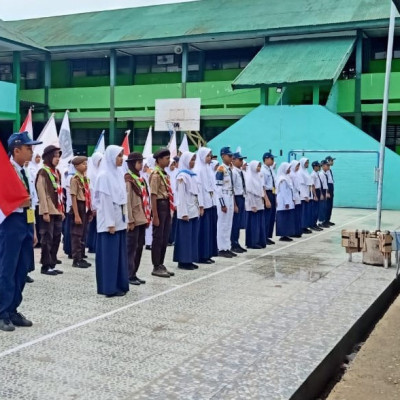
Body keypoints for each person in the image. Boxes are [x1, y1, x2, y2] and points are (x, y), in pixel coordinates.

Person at [0, 132, 42, 332]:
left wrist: (32, 229)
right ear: (16, 150)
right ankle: (2, 312)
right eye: (28, 148)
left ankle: (14, 308)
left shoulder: (26, 172)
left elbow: (31, 202)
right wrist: (17, 202)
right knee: (7, 269)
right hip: (10, 223)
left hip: (26, 221)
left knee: (22, 268)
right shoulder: (4, 172)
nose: (31, 151)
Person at [94, 145, 129, 297]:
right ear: (111, 157)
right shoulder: (104, 176)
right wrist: (110, 223)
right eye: (119, 156)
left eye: (122, 155)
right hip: (110, 223)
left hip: (119, 219)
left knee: (119, 255)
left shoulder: (119, 173)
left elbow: (123, 198)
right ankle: (109, 287)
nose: (121, 159)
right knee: (110, 256)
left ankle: (120, 283)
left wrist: (125, 220)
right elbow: (105, 201)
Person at [36, 145, 65, 276]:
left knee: (56, 238)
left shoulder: (56, 172)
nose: (57, 159)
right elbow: (41, 192)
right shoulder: (43, 172)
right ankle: (45, 265)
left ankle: (52, 263)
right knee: (47, 238)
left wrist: (62, 210)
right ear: (49, 157)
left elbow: (60, 193)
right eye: (55, 156)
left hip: (57, 210)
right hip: (48, 210)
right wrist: (45, 211)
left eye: (59, 156)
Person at [125, 152, 150, 285]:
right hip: (134, 218)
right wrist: (130, 219)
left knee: (139, 247)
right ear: (132, 164)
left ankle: (134, 272)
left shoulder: (141, 178)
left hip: (142, 217)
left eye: (141, 162)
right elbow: (127, 200)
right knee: (131, 247)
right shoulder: (129, 179)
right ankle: (129, 274)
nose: (141, 164)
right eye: (139, 162)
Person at [149, 148, 175, 278]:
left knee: (164, 237)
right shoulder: (155, 175)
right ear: (159, 160)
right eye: (166, 158)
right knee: (158, 238)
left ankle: (161, 263)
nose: (169, 161)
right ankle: (156, 265)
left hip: (166, 205)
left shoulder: (164, 174)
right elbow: (153, 195)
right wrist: (155, 215)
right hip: (159, 206)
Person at [173, 151, 201, 270]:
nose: (193, 162)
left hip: (193, 209)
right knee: (185, 237)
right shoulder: (182, 176)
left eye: (194, 160)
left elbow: (196, 194)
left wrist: (199, 208)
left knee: (192, 237)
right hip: (186, 211)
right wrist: (183, 212)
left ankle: (190, 259)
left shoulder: (192, 175)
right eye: (191, 160)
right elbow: (181, 197)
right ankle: (183, 261)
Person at [194, 147, 218, 264]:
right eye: (208, 155)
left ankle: (208, 253)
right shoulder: (199, 169)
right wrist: (201, 205)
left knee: (210, 230)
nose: (209, 158)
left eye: (210, 155)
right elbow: (199, 190)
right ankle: (201, 255)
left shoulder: (209, 168)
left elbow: (213, 186)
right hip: (204, 204)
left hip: (211, 202)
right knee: (204, 231)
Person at [70, 156, 93, 268]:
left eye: (86, 163)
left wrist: (90, 211)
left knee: (84, 234)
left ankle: (82, 256)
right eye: (83, 164)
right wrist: (76, 215)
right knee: (77, 234)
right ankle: (76, 259)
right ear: (76, 166)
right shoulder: (75, 179)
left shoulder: (85, 179)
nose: (86, 165)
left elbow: (88, 195)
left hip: (85, 207)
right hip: (78, 207)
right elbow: (73, 197)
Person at [215, 147, 237, 258]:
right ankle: (221, 248)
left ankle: (227, 247)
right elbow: (218, 188)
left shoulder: (229, 169)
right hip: (223, 196)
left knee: (228, 224)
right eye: (229, 156)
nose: (231, 158)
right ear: (223, 156)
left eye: (232, 156)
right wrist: (222, 203)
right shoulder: (220, 169)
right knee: (222, 224)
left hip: (230, 196)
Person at [244, 160, 267, 249]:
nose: (259, 168)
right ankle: (253, 242)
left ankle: (260, 241)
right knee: (254, 224)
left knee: (260, 223)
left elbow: (261, 189)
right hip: (253, 204)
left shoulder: (258, 177)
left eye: (260, 166)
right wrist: (253, 205)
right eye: (257, 166)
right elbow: (249, 193)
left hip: (259, 203)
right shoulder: (250, 178)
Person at [230, 151, 248, 253]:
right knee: (235, 223)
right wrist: (234, 204)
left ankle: (237, 242)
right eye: (240, 159)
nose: (241, 162)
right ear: (233, 160)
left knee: (239, 222)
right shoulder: (233, 172)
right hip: (236, 198)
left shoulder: (240, 172)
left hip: (242, 197)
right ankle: (233, 243)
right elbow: (232, 188)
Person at [86, 151, 103, 254]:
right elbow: (91, 191)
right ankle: (91, 245)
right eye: (99, 160)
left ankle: (96, 245)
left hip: (101, 204)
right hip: (93, 204)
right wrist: (93, 206)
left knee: (98, 226)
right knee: (92, 226)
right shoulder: (90, 173)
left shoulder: (101, 172)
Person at [275, 162, 295, 242]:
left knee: (287, 218)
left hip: (287, 200)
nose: (289, 170)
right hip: (283, 201)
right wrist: (287, 202)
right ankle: (283, 234)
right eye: (288, 168)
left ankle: (286, 234)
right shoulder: (282, 179)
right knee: (283, 218)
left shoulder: (287, 177)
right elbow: (283, 192)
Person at [261, 152, 276, 245]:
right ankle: (264, 236)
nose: (273, 161)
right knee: (266, 216)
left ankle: (268, 235)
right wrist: (266, 199)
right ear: (266, 159)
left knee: (271, 216)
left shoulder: (271, 169)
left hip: (273, 192)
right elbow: (263, 186)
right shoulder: (263, 170)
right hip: (267, 193)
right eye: (271, 159)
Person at [298, 158, 313, 235]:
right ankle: (302, 227)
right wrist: (305, 196)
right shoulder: (300, 172)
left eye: (308, 162)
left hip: (307, 194)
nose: (307, 164)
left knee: (307, 212)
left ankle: (305, 226)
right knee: (303, 212)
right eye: (306, 162)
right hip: (303, 196)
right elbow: (301, 185)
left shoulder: (306, 171)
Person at [167, 156, 179, 245]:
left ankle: (173, 238)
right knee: (168, 219)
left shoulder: (177, 173)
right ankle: (167, 238)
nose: (172, 166)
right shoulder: (165, 173)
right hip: (168, 198)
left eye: (174, 164)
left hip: (176, 197)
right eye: (171, 164)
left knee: (175, 219)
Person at [289, 160, 303, 238]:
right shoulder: (291, 175)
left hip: (297, 196)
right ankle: (294, 231)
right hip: (294, 197)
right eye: (296, 166)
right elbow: (292, 188)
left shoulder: (296, 174)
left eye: (298, 166)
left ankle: (298, 230)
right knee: (294, 215)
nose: (298, 168)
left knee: (298, 215)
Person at [310, 161, 324, 231]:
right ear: (315, 167)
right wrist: (315, 195)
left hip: (318, 191)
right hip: (315, 192)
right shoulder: (313, 174)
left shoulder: (317, 173)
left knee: (317, 210)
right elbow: (312, 186)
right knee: (314, 210)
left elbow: (319, 185)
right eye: (318, 166)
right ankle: (312, 224)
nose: (319, 167)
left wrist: (321, 194)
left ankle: (315, 223)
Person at [318, 160, 331, 228]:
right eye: (327, 165)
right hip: (321, 191)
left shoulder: (325, 174)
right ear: (323, 166)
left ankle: (323, 221)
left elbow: (325, 185)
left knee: (324, 207)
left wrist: (327, 192)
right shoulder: (321, 174)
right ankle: (320, 222)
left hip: (324, 190)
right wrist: (321, 194)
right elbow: (319, 185)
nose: (329, 166)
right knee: (321, 207)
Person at [325, 155, 336, 226]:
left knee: (330, 205)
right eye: (331, 160)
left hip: (331, 187)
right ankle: (324, 220)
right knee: (327, 205)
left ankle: (328, 219)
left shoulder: (330, 170)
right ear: (328, 161)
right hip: (328, 188)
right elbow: (325, 182)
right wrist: (327, 192)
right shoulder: (325, 171)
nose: (333, 162)